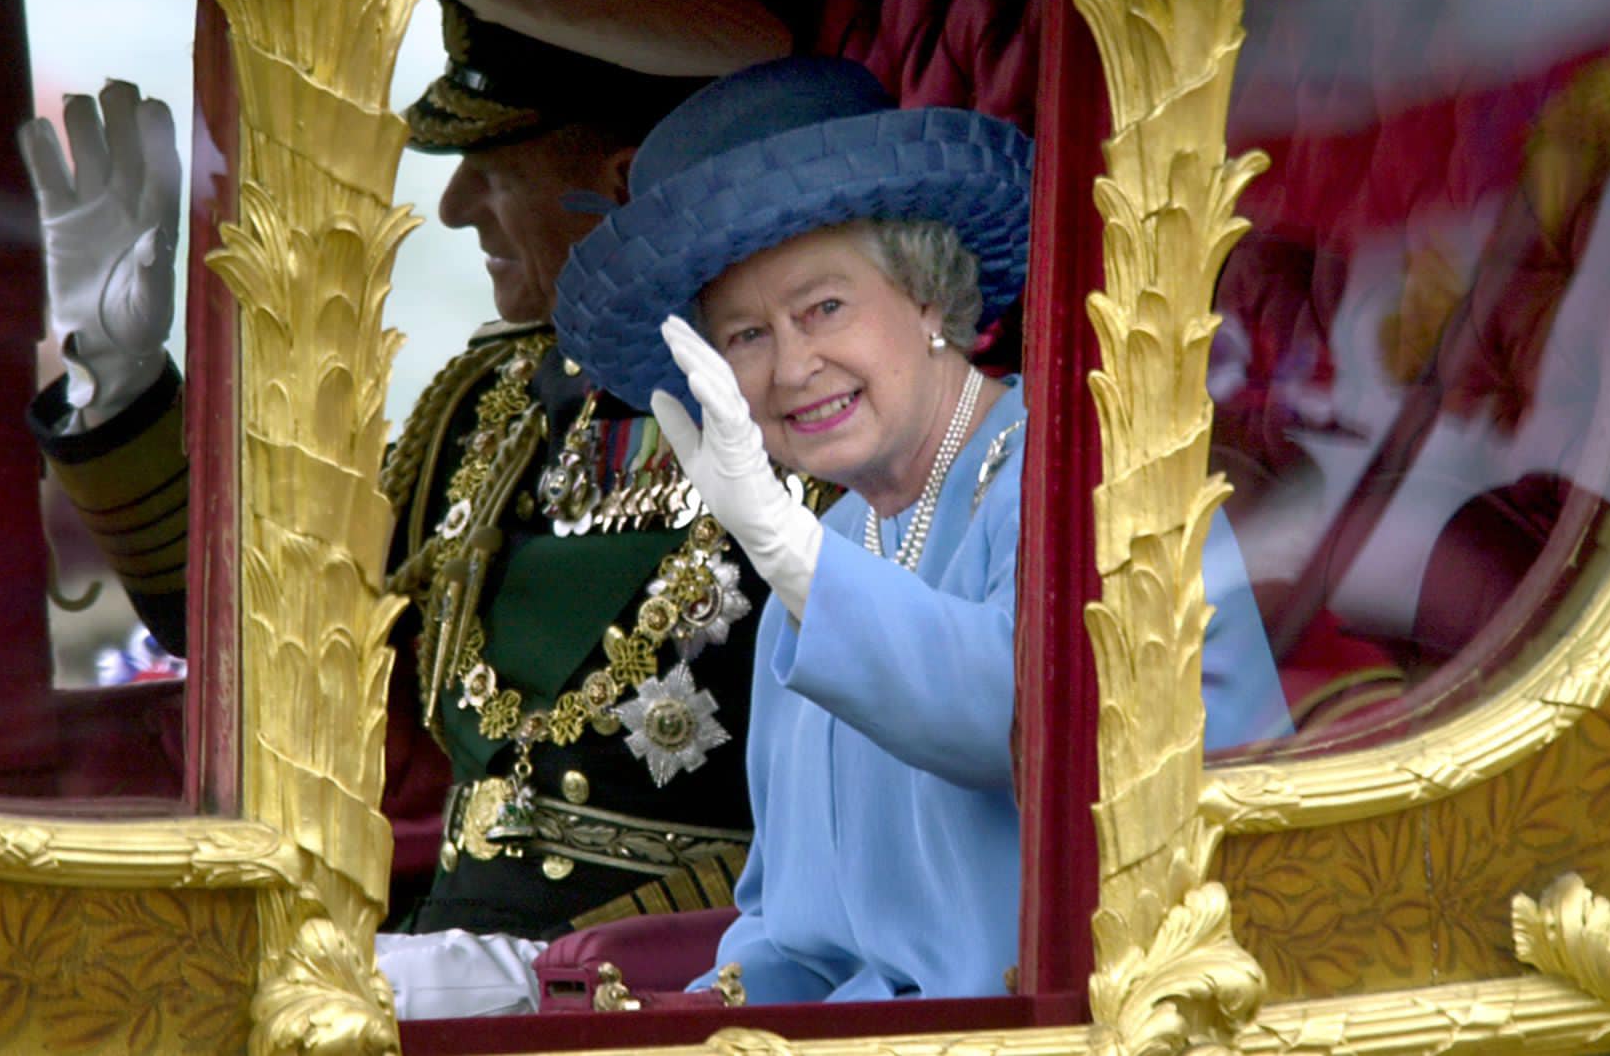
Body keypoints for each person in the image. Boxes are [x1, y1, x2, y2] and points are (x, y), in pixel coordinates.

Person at [21, 0, 798, 1017]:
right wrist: (118, 379)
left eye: (492, 166)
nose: (455, 208)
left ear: (619, 187)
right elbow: (269, 632)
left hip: (675, 985)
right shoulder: (490, 408)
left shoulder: (809, 431)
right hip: (436, 962)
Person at [553, 58, 1291, 1003]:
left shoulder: (1087, 480)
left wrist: (781, 544)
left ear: (929, 295)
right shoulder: (826, 555)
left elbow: (1022, 725)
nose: (791, 367)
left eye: (823, 308)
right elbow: (792, 937)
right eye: (745, 336)